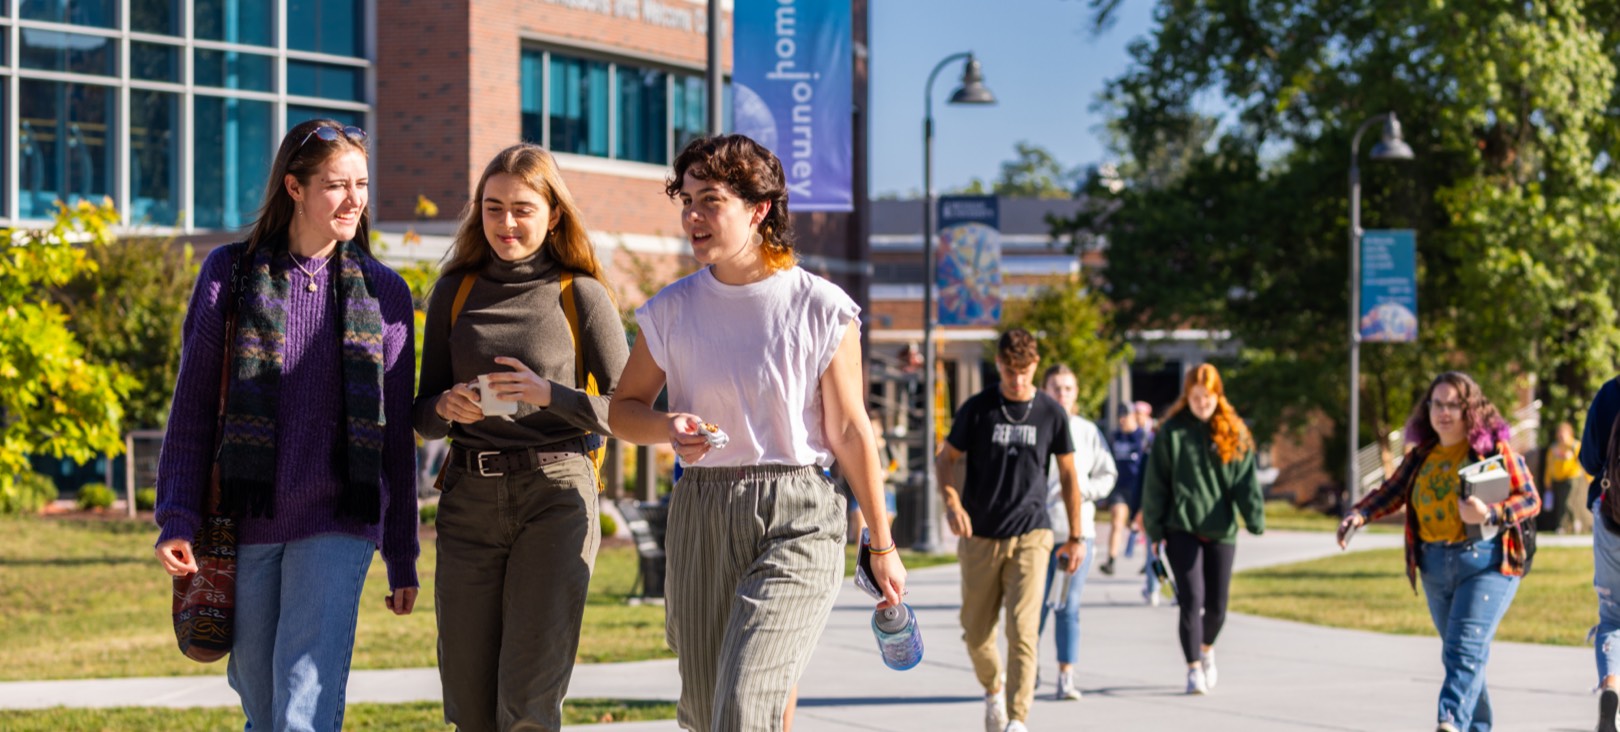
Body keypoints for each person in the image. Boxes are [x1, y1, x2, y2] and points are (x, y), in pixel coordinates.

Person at [607, 134, 904, 732]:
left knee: (746, 700)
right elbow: (623, 410)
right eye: (686, 200)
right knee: (706, 710)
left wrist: (882, 541)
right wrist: (667, 426)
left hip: (799, 511)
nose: (693, 215)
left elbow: (849, 428)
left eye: (710, 199)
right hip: (702, 508)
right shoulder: (670, 310)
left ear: (758, 209)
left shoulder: (821, 306)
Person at [152, 118, 419, 731]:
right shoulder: (230, 274)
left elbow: (394, 441)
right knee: (262, 703)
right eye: (335, 185)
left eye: (361, 184)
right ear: (294, 188)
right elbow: (192, 409)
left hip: (338, 522)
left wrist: (401, 554)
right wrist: (177, 517)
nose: (354, 200)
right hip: (245, 520)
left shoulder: (385, 294)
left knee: (302, 705)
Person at [412, 143, 628, 731]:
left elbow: (629, 410)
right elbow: (421, 416)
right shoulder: (454, 291)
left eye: (523, 209)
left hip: (555, 496)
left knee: (528, 702)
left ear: (554, 214)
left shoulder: (580, 293)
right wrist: (446, 406)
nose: (507, 223)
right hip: (468, 501)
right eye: (493, 207)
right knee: (468, 703)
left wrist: (549, 395)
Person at [1338, 371, 1538, 732]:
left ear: (1470, 409)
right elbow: (1391, 490)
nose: (1444, 412)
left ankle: (1448, 722)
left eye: (1453, 405)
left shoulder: (1493, 451)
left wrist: (1490, 513)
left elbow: (1530, 499)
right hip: (1433, 565)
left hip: (1486, 562)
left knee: (1462, 653)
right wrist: (1359, 514)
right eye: (1437, 403)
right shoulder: (1422, 456)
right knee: (1464, 656)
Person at [937, 329, 1084, 732]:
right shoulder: (978, 409)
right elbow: (945, 458)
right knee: (976, 632)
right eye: (1009, 370)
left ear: (1035, 365)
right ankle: (993, 688)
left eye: (1024, 370)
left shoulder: (1051, 413)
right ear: (998, 365)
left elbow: (1070, 475)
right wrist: (952, 502)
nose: (1017, 379)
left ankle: (1018, 718)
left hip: (1033, 534)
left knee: (1023, 630)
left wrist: (1076, 535)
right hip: (980, 535)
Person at [1140, 363, 1263, 696]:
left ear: (1217, 395)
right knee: (1191, 599)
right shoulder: (1172, 432)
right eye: (1195, 397)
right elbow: (1156, 484)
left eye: (1207, 397)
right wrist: (1154, 529)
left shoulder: (1233, 431)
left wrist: (1254, 517)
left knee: (1218, 606)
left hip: (1221, 529)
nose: (1201, 404)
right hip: (1182, 527)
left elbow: (1246, 481)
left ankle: (1206, 647)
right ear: (1187, 397)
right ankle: (1193, 667)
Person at [1035, 364, 1116, 701]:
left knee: (1068, 606)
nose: (1062, 394)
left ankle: (1066, 674)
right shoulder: (1035, 426)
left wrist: (1083, 490)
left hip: (1077, 533)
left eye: (1068, 388)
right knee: (1033, 606)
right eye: (1056, 387)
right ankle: (1028, 667)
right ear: (1045, 390)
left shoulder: (1086, 431)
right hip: (1038, 532)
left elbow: (1107, 474)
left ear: (1076, 393)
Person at [1581, 380, 1620, 732]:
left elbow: (1590, 460)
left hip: (1612, 516)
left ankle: (1612, 686)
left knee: (1613, 616)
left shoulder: (1611, 392)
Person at [1100, 410, 1147, 576]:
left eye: (1126, 416)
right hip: (1120, 486)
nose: (1122, 419)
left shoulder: (1142, 437)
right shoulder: (1115, 437)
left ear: (1134, 417)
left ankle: (1148, 561)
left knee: (1143, 525)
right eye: (1120, 416)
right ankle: (1111, 560)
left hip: (1138, 487)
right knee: (1117, 521)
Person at [1541, 421, 1581, 533]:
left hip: (1572, 477)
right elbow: (1549, 465)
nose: (1561, 436)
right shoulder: (1554, 448)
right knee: (1560, 502)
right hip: (1558, 478)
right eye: (1559, 433)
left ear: (1569, 433)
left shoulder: (1574, 446)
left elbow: (1582, 462)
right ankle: (1562, 525)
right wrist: (1547, 480)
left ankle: (1573, 522)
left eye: (1563, 433)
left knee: (1568, 501)